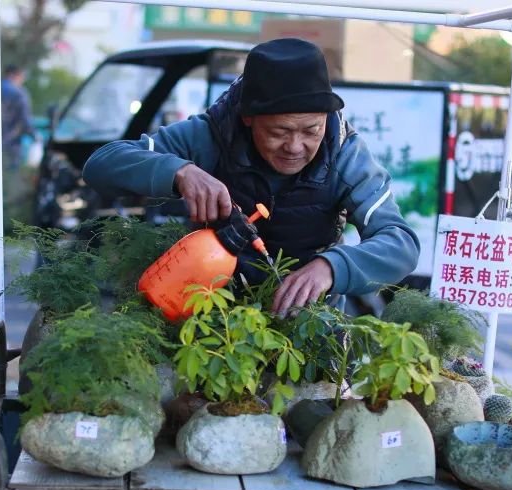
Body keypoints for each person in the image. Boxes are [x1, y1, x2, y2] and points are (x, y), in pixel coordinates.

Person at [82, 38, 420, 317]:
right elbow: (101, 164)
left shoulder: (346, 154)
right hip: (211, 319)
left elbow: (400, 242)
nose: (295, 146)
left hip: (308, 325)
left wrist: (332, 268)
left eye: (311, 130)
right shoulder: (210, 136)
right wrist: (179, 171)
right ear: (248, 117)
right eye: (279, 132)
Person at [0, 64, 36, 168]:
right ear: (13, 75)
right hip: (10, 143)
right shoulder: (19, 94)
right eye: (21, 76)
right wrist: (35, 136)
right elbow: (25, 121)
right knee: (7, 173)